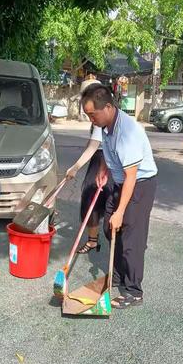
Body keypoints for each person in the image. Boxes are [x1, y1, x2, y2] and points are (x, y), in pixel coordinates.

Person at [80, 84, 157, 309]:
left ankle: (133, 291)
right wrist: (104, 169)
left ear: (108, 107)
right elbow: (107, 149)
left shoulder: (127, 132)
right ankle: (117, 275)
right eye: (88, 115)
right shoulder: (105, 126)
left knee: (131, 238)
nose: (90, 119)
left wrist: (121, 211)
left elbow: (132, 176)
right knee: (109, 228)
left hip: (139, 185)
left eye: (92, 114)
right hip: (119, 181)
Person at [66, 79, 113, 253]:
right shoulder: (101, 114)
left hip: (106, 160)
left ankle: (109, 245)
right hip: (101, 159)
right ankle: (94, 241)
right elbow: (91, 143)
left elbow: (94, 147)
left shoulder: (101, 116)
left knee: (92, 195)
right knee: (92, 199)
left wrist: (75, 167)